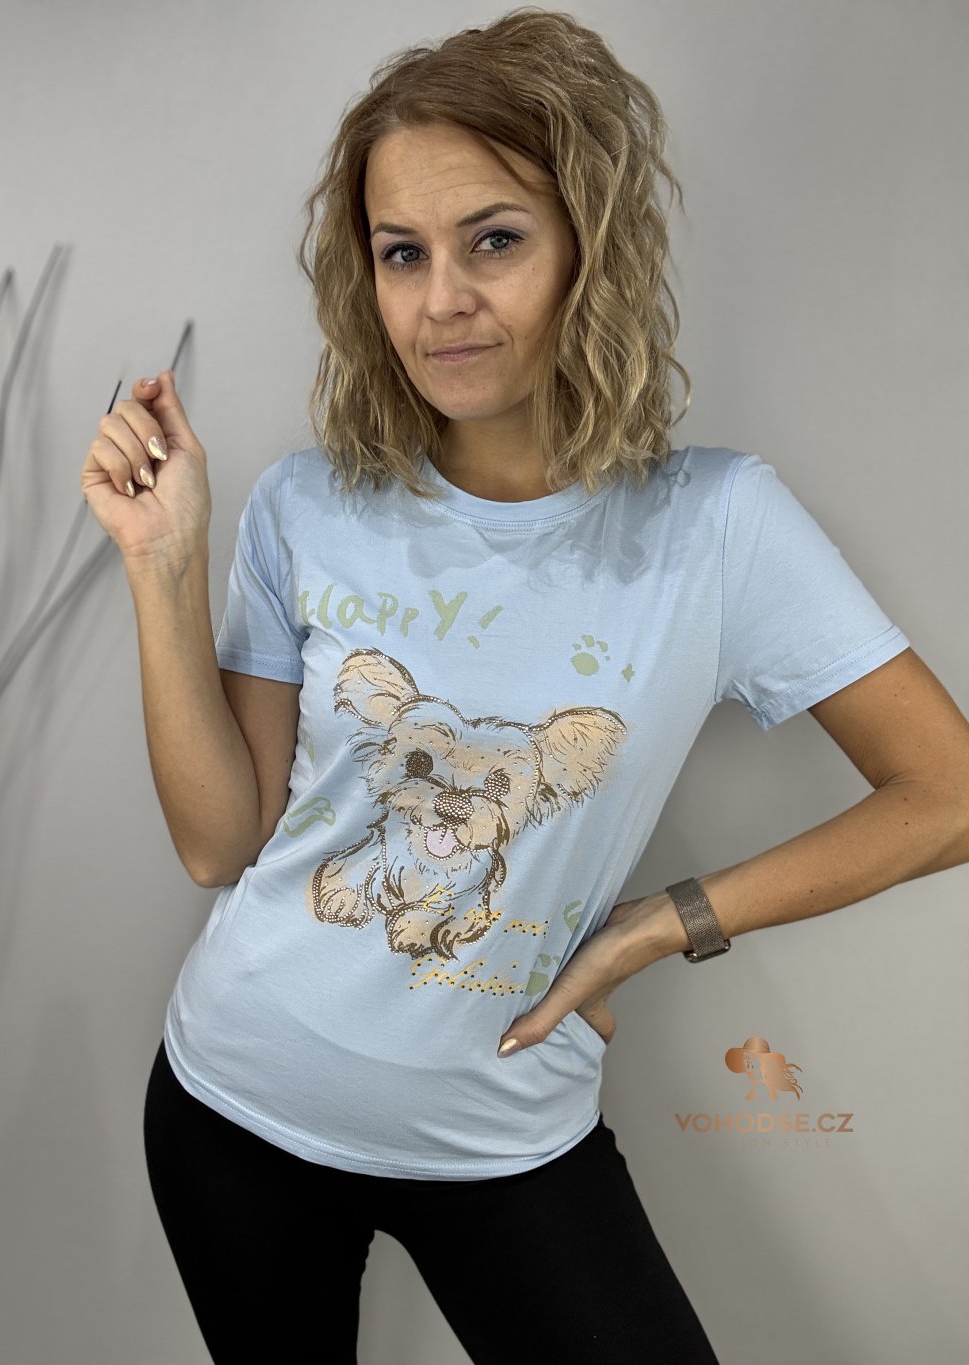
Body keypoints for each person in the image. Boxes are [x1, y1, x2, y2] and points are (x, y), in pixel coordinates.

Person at [80, 8, 969, 1363]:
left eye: (493, 239)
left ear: (588, 250)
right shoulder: (309, 505)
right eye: (402, 252)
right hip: (235, 1110)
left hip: (508, 1137)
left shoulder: (718, 525)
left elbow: (949, 793)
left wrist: (659, 925)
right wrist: (164, 566)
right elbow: (219, 843)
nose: (442, 298)